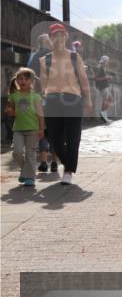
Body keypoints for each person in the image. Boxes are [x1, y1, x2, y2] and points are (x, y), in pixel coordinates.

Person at [39, 23, 92, 185]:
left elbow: (84, 81)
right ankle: (68, 164)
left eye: (62, 35)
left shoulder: (75, 57)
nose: (59, 38)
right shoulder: (45, 60)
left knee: (73, 137)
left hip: (73, 99)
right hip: (53, 100)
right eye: (55, 35)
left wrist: (88, 99)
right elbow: (43, 85)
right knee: (55, 139)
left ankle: (68, 171)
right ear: (51, 38)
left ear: (66, 37)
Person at [7, 68, 45, 188]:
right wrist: (9, 111)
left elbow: (40, 114)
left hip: (33, 129)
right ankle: (25, 171)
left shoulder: (35, 96)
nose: (22, 81)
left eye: (26, 79)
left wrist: (41, 128)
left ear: (31, 81)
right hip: (18, 128)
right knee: (17, 152)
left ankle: (30, 177)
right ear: (17, 80)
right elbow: (12, 112)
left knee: (30, 154)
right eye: (20, 78)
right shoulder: (13, 96)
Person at [27, 34, 57, 174]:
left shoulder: (33, 56)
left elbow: (28, 74)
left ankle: (44, 161)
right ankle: (55, 162)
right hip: (54, 96)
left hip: (38, 95)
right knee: (56, 128)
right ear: (46, 41)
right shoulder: (54, 55)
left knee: (42, 127)